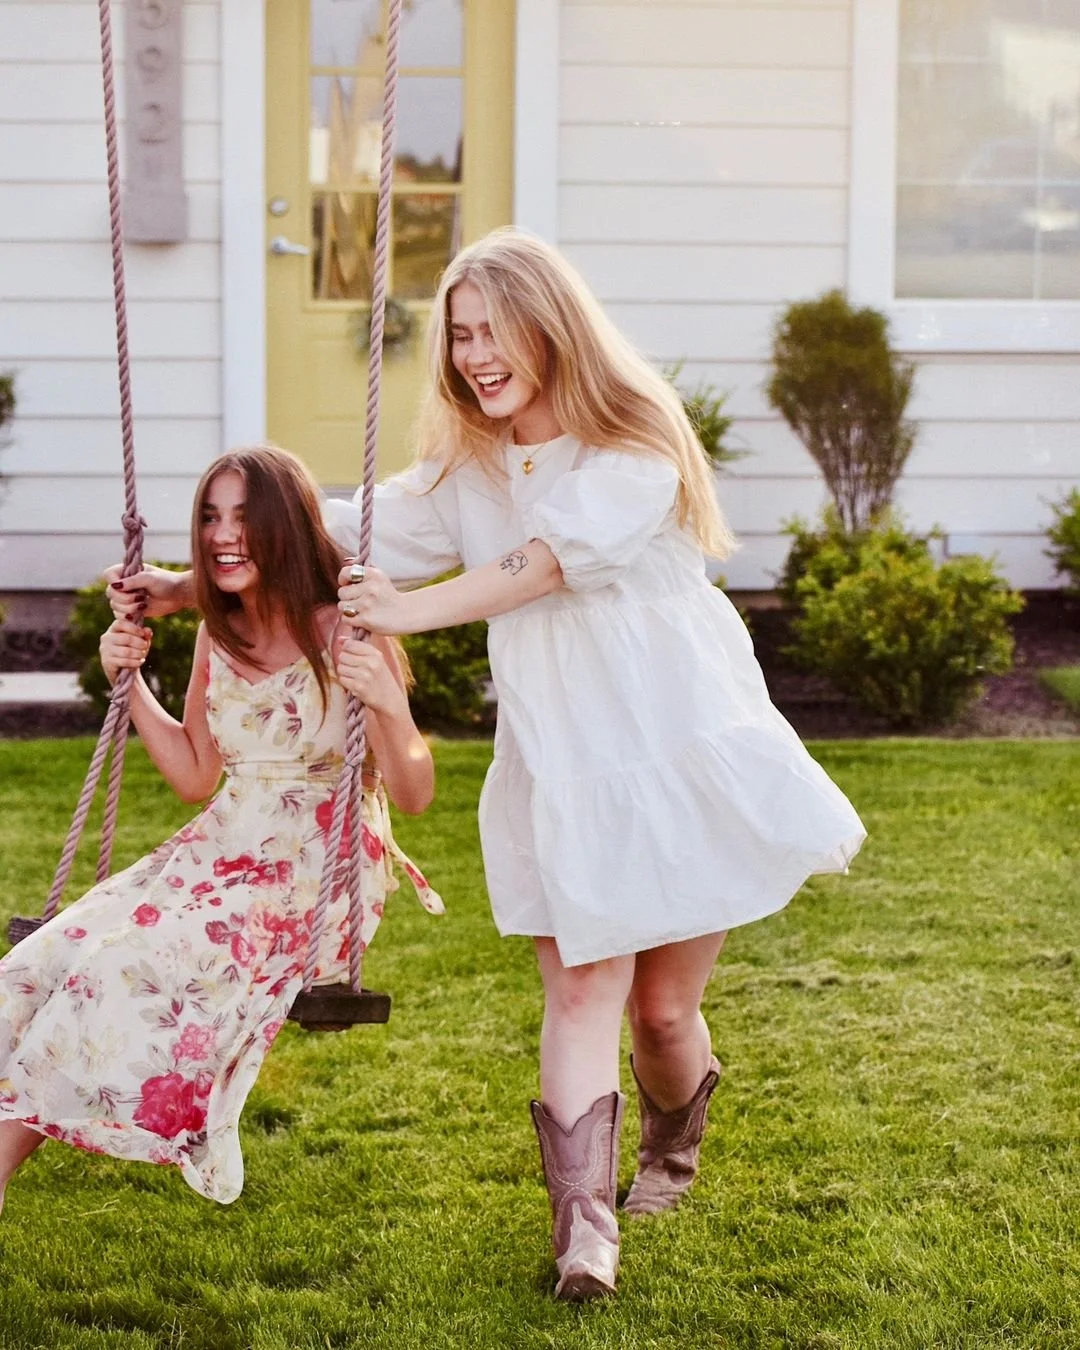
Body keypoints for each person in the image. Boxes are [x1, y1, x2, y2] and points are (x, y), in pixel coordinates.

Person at [106, 230, 865, 1300]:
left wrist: (415, 609)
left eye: (493, 331)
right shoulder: (467, 467)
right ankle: (583, 1231)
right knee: (584, 980)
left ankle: (673, 1147)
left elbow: (544, 563)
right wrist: (198, 580)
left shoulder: (633, 441)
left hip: (676, 746)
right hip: (564, 758)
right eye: (460, 336)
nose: (474, 355)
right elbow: (325, 537)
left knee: (660, 1012)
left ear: (550, 326)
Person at [0, 446, 441, 1214]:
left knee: (122, 968)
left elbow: (415, 794)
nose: (221, 535)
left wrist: (394, 710)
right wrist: (128, 684)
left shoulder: (350, 627)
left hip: (316, 874)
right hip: (221, 847)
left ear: (283, 525)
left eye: (242, 516)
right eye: (209, 516)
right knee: (39, 963)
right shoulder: (218, 629)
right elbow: (197, 775)